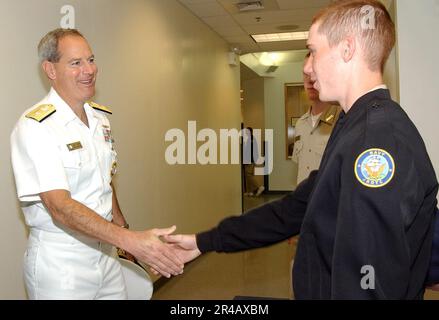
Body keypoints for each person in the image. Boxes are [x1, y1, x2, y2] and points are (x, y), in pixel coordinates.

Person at [163, 0, 438, 299]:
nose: (306, 67)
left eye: (313, 51)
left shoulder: (376, 141)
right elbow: (292, 210)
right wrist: (205, 241)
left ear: (347, 49)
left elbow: (368, 284)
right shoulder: (353, 127)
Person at [10, 28, 183, 300]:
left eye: (90, 60)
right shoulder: (36, 127)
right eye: (75, 63)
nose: (89, 70)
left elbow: (103, 180)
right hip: (62, 263)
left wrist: (122, 231)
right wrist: (130, 241)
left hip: (107, 254)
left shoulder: (100, 119)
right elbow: (59, 207)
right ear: (50, 70)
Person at [291, 53, 341, 185]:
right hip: (303, 202)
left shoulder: (342, 120)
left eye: (314, 72)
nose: (309, 80)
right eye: (305, 74)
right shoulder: (301, 124)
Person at [242, 127, 265, 197]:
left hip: (249, 160)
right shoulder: (252, 139)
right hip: (252, 159)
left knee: (249, 175)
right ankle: (250, 192)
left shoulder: (248, 139)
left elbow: (247, 151)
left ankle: (259, 187)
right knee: (248, 175)